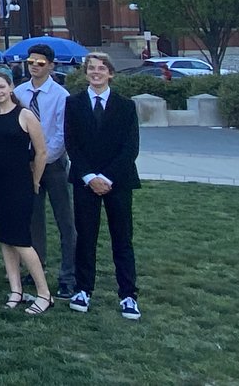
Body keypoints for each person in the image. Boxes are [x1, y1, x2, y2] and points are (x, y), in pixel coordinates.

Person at [65, 52, 142, 320]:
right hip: (85, 182)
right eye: (91, 68)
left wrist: (107, 178)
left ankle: (128, 295)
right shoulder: (73, 104)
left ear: (110, 73)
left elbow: (130, 148)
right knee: (86, 237)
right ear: (85, 73)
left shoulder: (126, 106)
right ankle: (83, 289)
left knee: (122, 239)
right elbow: (72, 144)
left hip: (118, 181)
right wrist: (89, 177)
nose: (95, 72)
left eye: (101, 68)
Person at [0, 71, 52, 314]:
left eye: (1, 86)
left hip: (20, 184)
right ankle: (16, 289)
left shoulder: (24, 115)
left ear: (11, 87)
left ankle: (44, 293)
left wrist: (35, 180)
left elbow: (41, 152)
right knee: (4, 238)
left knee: (21, 240)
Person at [13, 43, 77, 299]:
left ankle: (68, 275)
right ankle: (36, 268)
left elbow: (62, 133)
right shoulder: (18, 92)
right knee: (33, 220)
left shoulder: (61, 95)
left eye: (40, 63)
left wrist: (44, 159)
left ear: (51, 65)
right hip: (26, 165)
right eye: (31, 63)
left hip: (54, 164)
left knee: (65, 221)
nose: (35, 67)